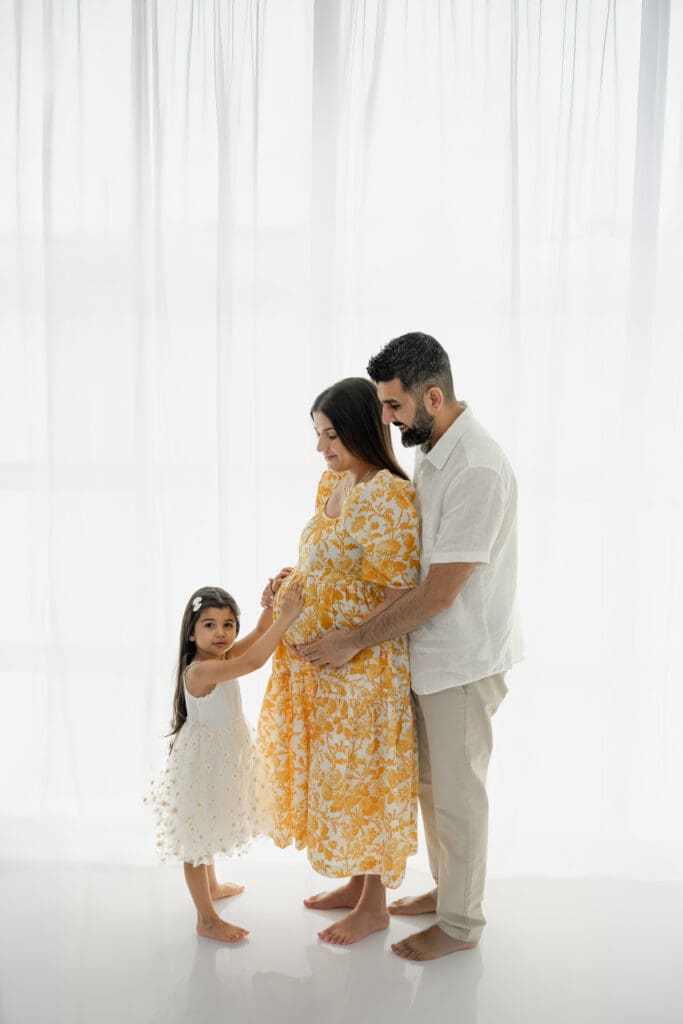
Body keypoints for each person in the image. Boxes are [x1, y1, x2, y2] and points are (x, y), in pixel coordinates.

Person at [299, 333, 522, 961]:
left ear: (433, 397)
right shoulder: (432, 447)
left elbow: (440, 591)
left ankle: (460, 925)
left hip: (463, 658)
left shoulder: (475, 467)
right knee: (429, 788)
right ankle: (447, 891)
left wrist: (352, 639)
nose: (387, 419)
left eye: (394, 406)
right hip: (425, 654)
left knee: (458, 796)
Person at [258, 377, 420, 946]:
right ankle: (356, 885)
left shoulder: (388, 495)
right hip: (319, 668)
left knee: (365, 774)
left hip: (362, 666)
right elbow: (328, 563)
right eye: (318, 434)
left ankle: (375, 905)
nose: (321, 447)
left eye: (331, 435)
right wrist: (287, 582)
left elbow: (401, 590)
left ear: (361, 429)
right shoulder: (333, 482)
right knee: (336, 776)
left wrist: (347, 639)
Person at [147, 581, 304, 944]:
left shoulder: (220, 658)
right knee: (195, 841)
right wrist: (287, 617)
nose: (221, 633)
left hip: (222, 757)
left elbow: (260, 633)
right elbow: (253, 661)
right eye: (210, 625)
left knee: (209, 823)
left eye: (228, 625)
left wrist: (272, 600)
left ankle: (212, 886)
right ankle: (206, 919)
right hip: (203, 763)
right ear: (191, 633)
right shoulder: (200, 671)